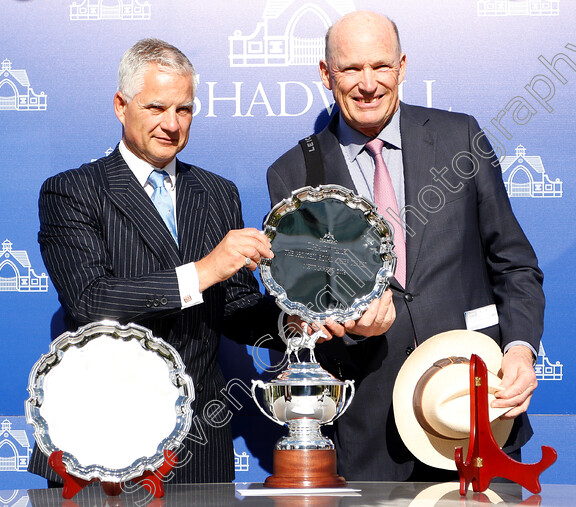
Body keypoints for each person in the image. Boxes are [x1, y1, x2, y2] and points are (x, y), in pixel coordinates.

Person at [29, 38, 394, 486]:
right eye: (156, 108)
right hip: (103, 436)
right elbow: (90, 300)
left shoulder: (217, 193)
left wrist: (300, 319)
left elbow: (236, 309)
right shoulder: (72, 191)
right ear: (121, 106)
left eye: (183, 110)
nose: (171, 124)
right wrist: (206, 270)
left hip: (199, 442)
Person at [266, 11, 545, 481]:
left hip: (476, 413)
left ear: (402, 67)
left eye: (381, 66)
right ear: (325, 73)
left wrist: (519, 350)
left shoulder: (461, 138)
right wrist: (351, 325)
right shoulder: (294, 174)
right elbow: (304, 308)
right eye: (352, 69)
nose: (368, 83)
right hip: (371, 436)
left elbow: (515, 266)